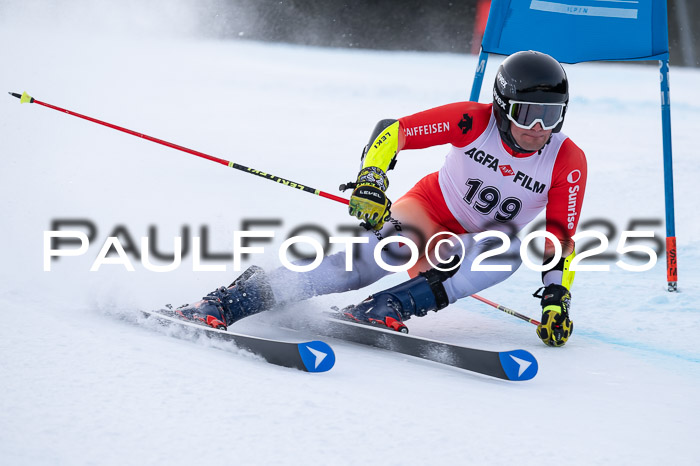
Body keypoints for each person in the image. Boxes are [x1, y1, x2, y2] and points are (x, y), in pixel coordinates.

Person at [175, 50, 587, 347]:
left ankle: (387, 306)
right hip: (427, 213)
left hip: (472, 248)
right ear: (501, 106)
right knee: (360, 264)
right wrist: (371, 181)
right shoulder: (472, 119)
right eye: (526, 112)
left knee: (508, 251)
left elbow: (560, 237)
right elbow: (394, 131)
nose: (537, 127)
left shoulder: (566, 160)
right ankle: (226, 302)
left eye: (550, 115)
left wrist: (556, 297)